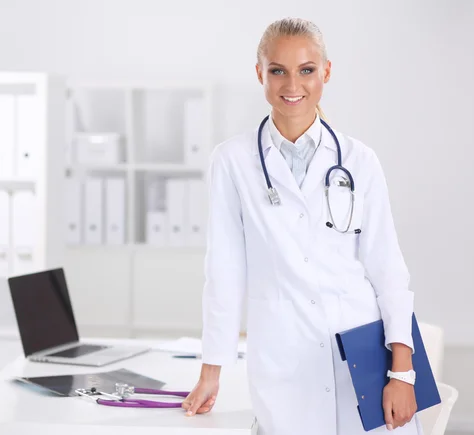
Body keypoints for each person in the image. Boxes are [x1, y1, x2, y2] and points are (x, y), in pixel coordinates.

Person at [181, 17, 422, 435]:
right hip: (283, 361)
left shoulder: (359, 161)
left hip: (363, 356)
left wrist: (402, 373)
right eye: (278, 70)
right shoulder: (233, 161)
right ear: (260, 73)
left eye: (306, 70)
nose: (292, 84)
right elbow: (224, 272)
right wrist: (211, 370)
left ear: (326, 72)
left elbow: (387, 270)